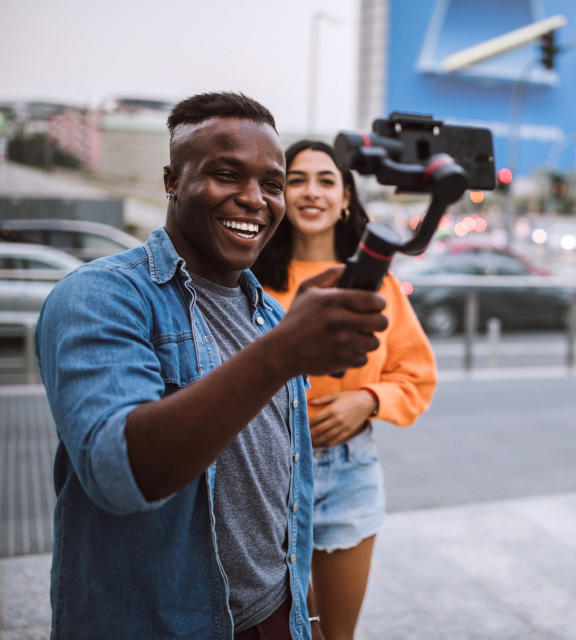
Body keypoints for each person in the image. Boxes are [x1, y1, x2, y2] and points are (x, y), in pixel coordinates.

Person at [35, 92, 388, 639]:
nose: (255, 199)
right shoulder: (98, 296)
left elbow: (276, 507)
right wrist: (281, 355)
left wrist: (306, 617)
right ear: (173, 180)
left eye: (272, 183)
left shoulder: (269, 316)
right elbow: (121, 476)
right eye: (227, 175)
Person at [253, 140, 437, 640]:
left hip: (347, 475)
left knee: (335, 635)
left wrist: (368, 400)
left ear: (347, 199)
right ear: (278, 194)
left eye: (326, 180)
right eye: (295, 180)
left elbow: (415, 375)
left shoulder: (377, 285)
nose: (311, 192)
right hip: (263, 474)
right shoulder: (247, 283)